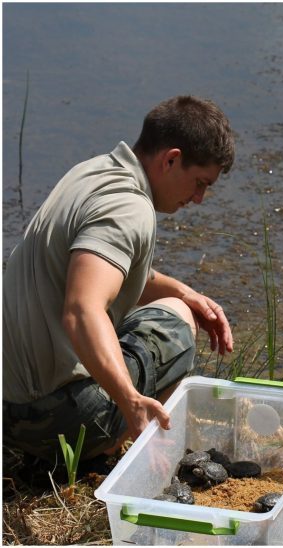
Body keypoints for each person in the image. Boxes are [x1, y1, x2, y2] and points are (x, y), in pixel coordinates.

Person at [3, 95, 236, 463]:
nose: (199, 198)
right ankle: (116, 441)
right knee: (176, 319)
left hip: (8, 409)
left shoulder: (93, 172)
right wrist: (129, 400)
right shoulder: (129, 208)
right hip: (53, 422)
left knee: (176, 301)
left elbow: (108, 272)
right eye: (199, 183)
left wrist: (184, 290)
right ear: (171, 159)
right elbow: (81, 311)